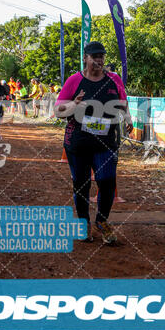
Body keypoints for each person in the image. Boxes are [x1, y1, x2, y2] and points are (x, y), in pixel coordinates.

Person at [55, 41, 133, 245]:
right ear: (85, 58)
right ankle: (84, 224)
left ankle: (102, 221)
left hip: (106, 141)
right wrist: (75, 104)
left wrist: (128, 118)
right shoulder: (74, 81)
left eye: (102, 56)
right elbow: (58, 112)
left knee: (107, 182)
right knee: (81, 184)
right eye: (94, 56)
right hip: (78, 142)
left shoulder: (114, 79)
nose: (99, 60)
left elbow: (123, 102)